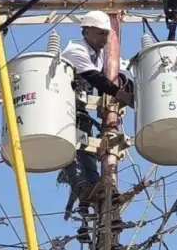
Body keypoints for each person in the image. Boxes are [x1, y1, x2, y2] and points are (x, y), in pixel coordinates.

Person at [57, 10, 135, 209]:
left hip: (77, 107)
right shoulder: (76, 50)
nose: (105, 38)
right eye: (100, 33)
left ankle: (95, 188)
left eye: (106, 34)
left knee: (86, 147)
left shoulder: (100, 55)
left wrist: (124, 81)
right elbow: (96, 79)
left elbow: (109, 75)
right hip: (59, 105)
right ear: (86, 31)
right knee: (69, 144)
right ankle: (82, 187)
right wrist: (122, 95)